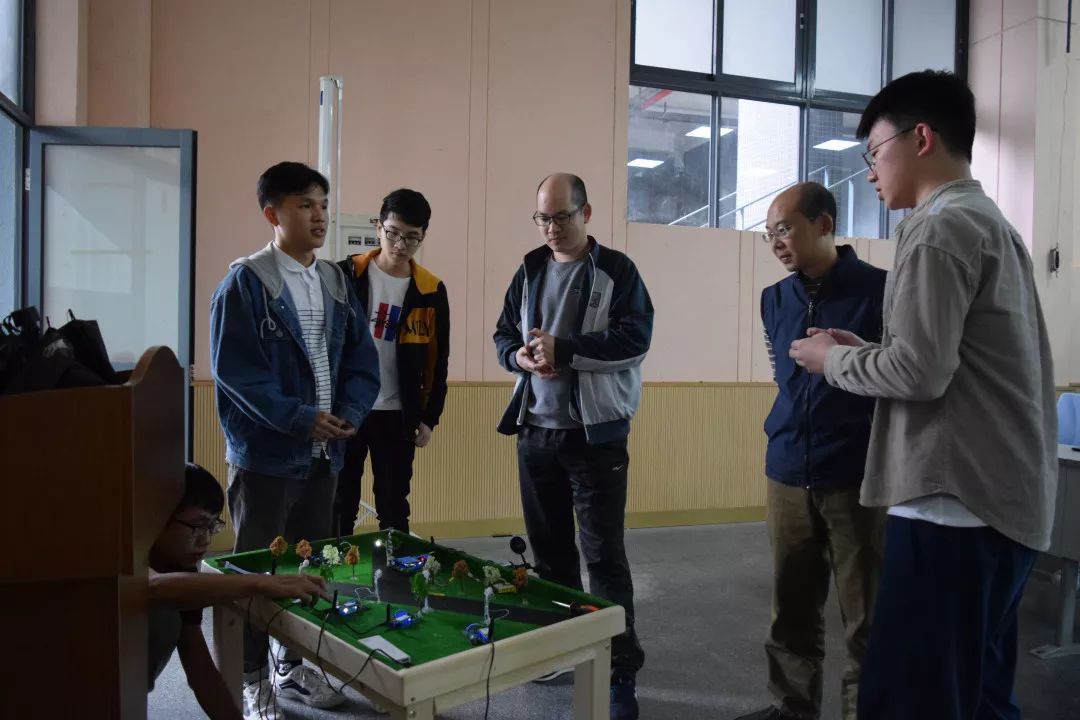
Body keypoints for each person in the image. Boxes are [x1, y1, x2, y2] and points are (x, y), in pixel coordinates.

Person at [788, 71, 1058, 719]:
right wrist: (864, 350)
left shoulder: (937, 228)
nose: (871, 174)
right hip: (997, 502)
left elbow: (918, 374)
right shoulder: (988, 222)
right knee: (978, 693)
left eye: (875, 152)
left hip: (950, 503)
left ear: (922, 138)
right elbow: (949, 361)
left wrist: (832, 360)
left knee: (915, 698)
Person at [210, 161, 380, 720]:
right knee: (256, 573)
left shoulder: (334, 280)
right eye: (305, 205)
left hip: (324, 455)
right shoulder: (247, 282)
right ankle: (250, 679)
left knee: (311, 570)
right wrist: (300, 418)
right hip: (266, 458)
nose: (319, 216)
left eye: (323, 205)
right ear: (273, 214)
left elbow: (361, 360)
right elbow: (237, 374)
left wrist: (349, 412)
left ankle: (292, 664)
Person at [493, 172, 653, 720]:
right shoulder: (530, 269)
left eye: (562, 216)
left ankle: (618, 669)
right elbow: (503, 335)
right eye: (543, 218)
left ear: (586, 213)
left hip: (595, 436)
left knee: (603, 556)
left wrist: (564, 350)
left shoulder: (618, 271)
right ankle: (562, 647)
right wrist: (518, 357)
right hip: (536, 430)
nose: (551, 228)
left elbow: (635, 341)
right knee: (550, 553)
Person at [736, 183, 886, 720]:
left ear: (824, 224)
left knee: (866, 616)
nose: (776, 242)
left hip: (855, 474)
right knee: (791, 610)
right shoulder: (774, 298)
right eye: (768, 234)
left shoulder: (881, 290)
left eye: (785, 229)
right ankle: (791, 707)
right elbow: (783, 375)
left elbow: (896, 375)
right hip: (787, 471)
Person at [148, 463, 330, 720]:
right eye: (198, 526)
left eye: (212, 526)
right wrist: (259, 583)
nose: (206, 540)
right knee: (164, 620)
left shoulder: (182, 568)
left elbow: (201, 672)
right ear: (157, 516)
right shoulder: (123, 553)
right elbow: (153, 587)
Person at [335, 188, 450, 535]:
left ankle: (394, 567)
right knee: (339, 501)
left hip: (398, 412)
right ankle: (337, 566)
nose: (400, 245)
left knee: (394, 504)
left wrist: (429, 418)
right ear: (378, 227)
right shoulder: (346, 275)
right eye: (393, 233)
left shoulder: (430, 290)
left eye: (412, 237)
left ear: (423, 236)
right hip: (346, 407)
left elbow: (438, 359)